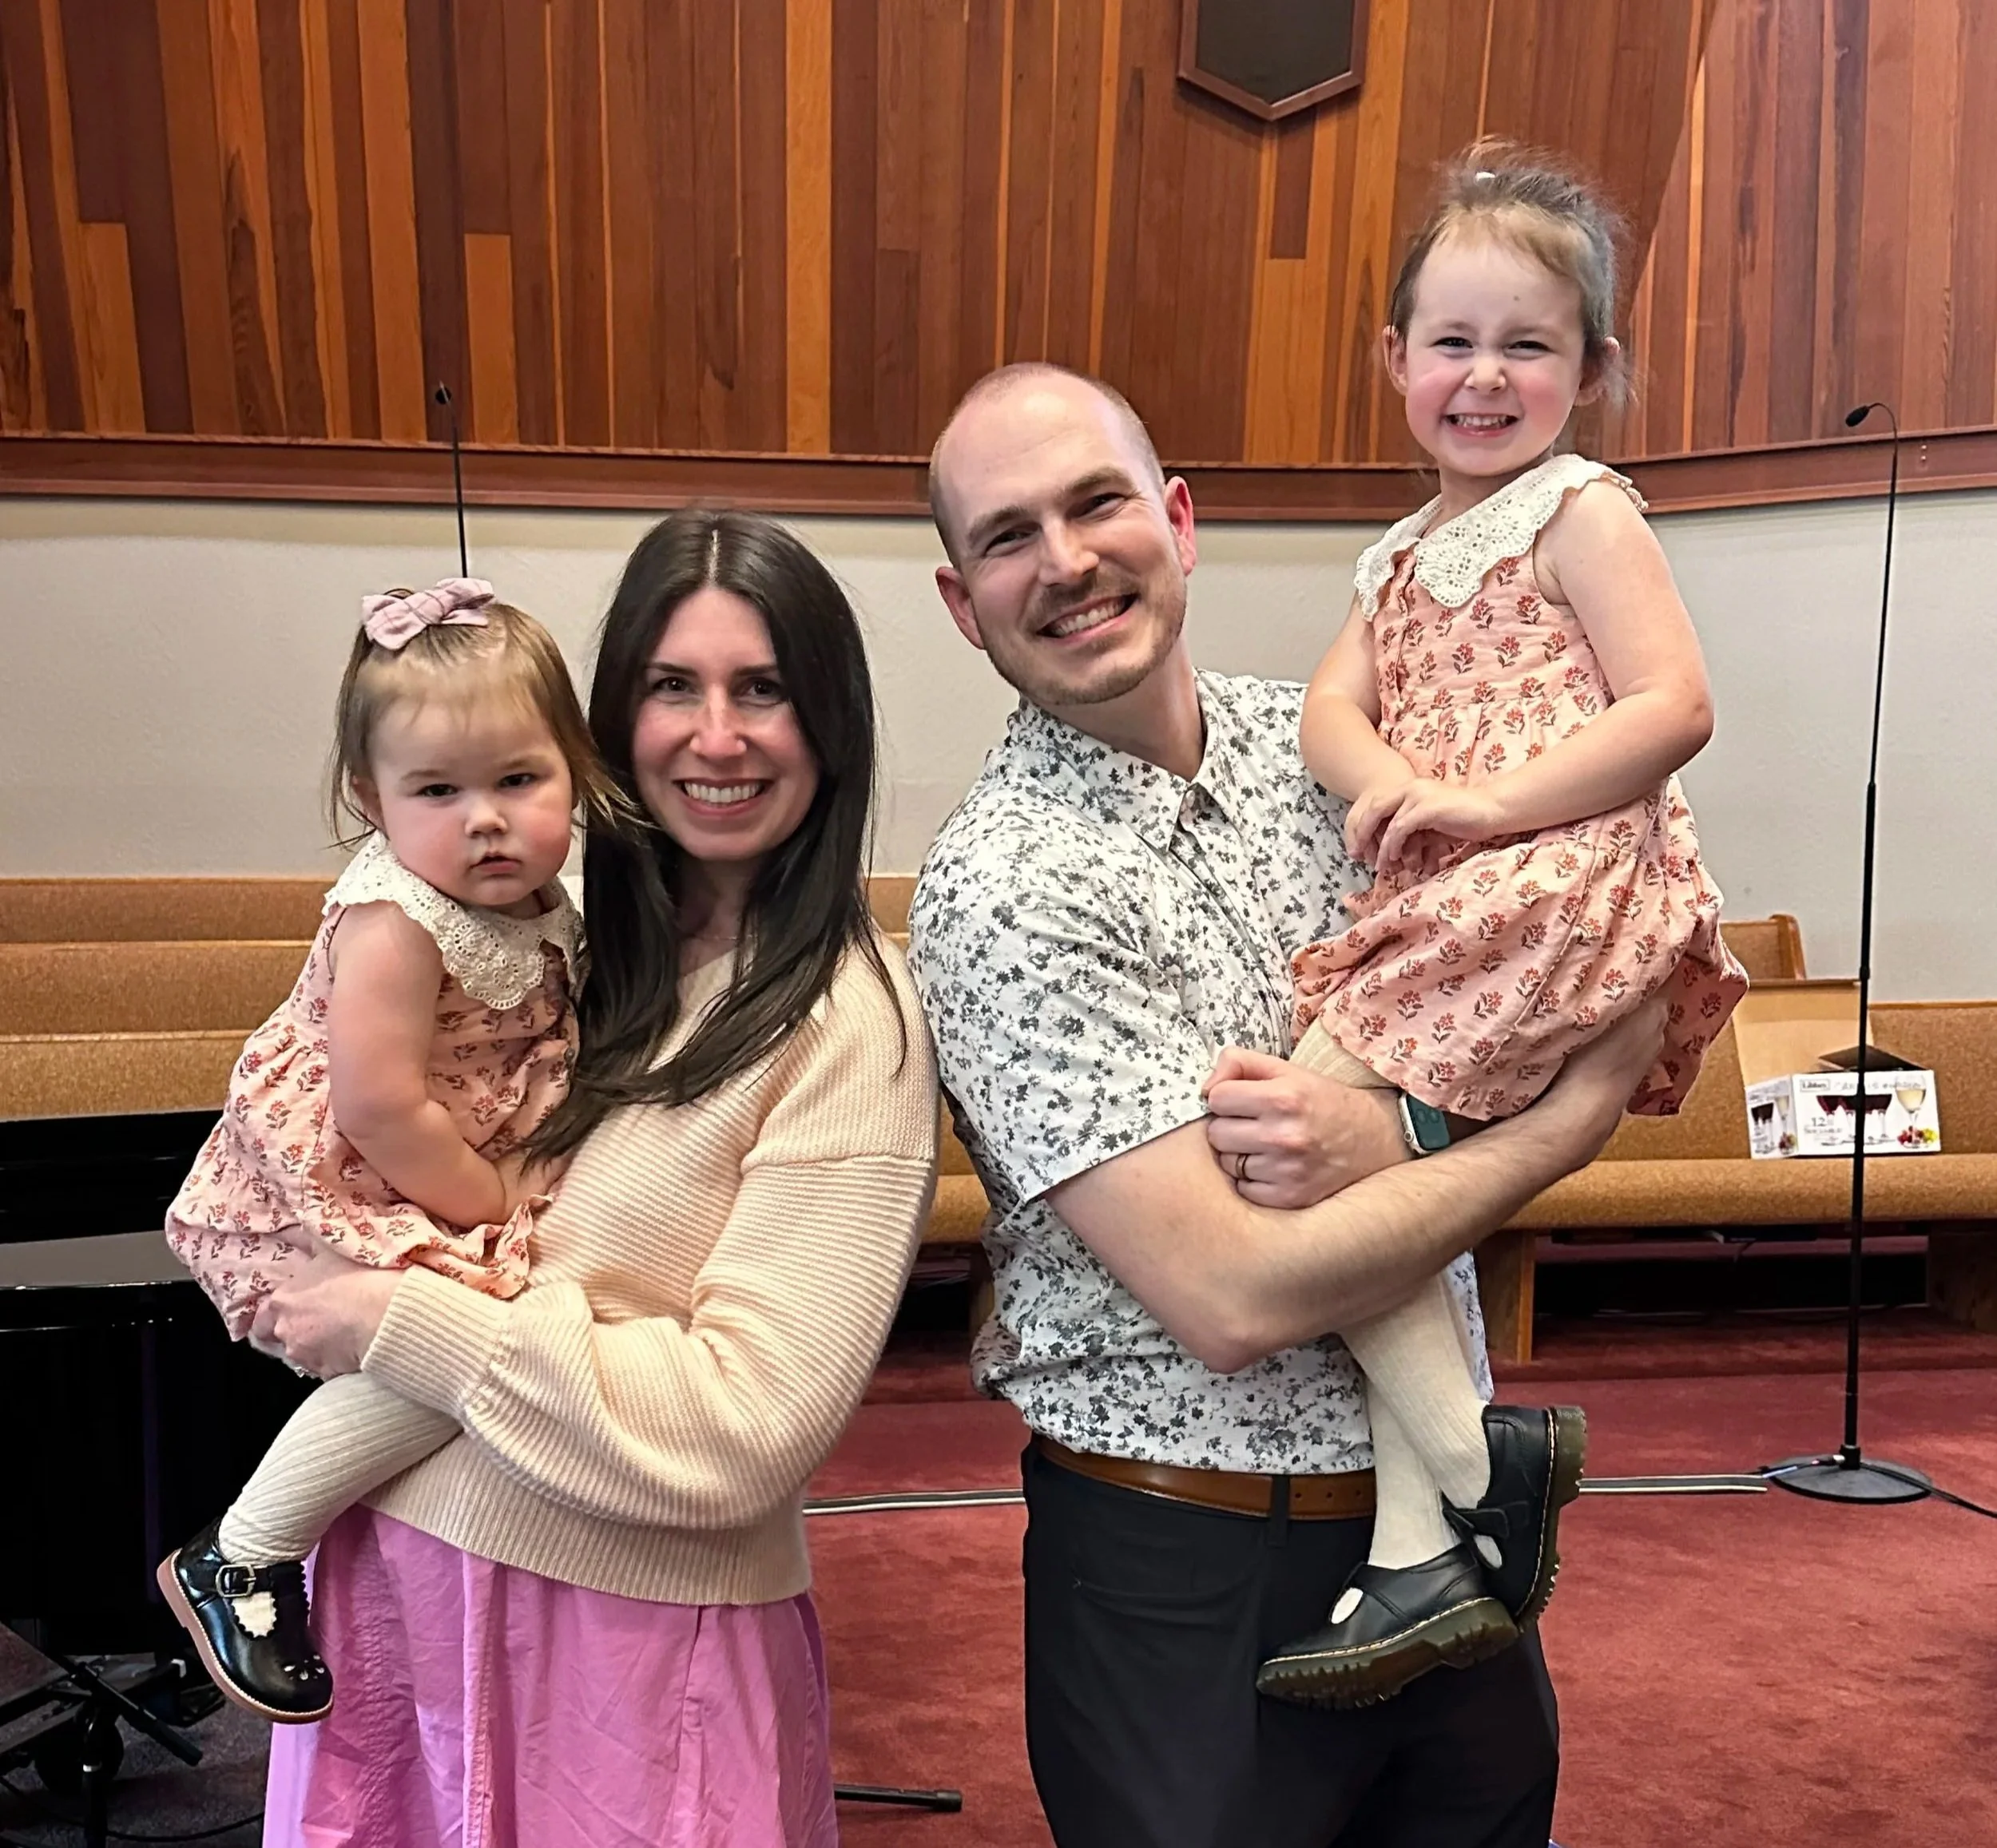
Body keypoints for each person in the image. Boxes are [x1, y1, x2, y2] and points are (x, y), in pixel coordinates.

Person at [910, 359, 1665, 1848]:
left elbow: (1572, 968)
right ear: (961, 602)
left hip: (1439, 1528)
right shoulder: (1001, 886)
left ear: (1179, 521)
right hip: (1185, 1561)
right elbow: (1234, 1294)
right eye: (1007, 537)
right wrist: (1556, 1134)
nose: (1066, 561)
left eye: (1098, 503)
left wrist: (1403, 1130)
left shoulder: (1345, 764)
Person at [243, 511, 938, 1847]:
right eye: (673, 686)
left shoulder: (849, 1020)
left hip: (626, 1645)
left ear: (831, 724)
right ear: (608, 723)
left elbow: (746, 1428)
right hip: (397, 1591)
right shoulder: (549, 953)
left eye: (763, 689)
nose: (716, 736)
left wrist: (401, 1322)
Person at [1254, 144, 1749, 1705]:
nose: (1483, 376)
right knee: (1346, 1178)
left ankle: (1479, 1464)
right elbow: (1328, 710)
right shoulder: (1398, 553)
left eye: (1526, 344)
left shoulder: (1577, 510)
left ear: (1589, 369)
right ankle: (1425, 1543)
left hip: (1550, 886)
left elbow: (1673, 704)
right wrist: (1390, 782)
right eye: (1451, 341)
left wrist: (1483, 804)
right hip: (1466, 895)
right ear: (1392, 358)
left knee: (1300, 1138)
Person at [160, 578, 618, 1723]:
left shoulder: (544, 895)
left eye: (520, 779)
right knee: (456, 1343)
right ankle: (243, 1551)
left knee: (499, 1346)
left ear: (574, 768)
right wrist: (491, 1201)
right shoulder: (396, 921)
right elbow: (377, 1108)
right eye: (438, 790)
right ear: (372, 799)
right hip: (346, 1182)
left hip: (448, 1159)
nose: (486, 820)